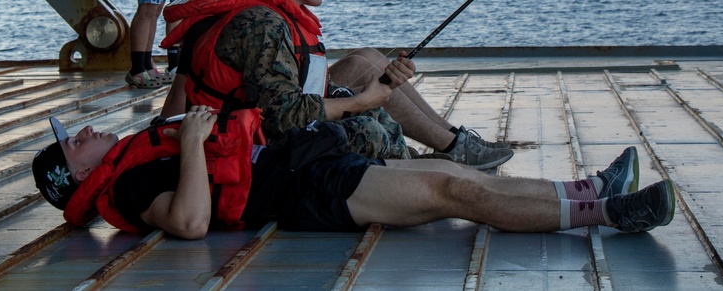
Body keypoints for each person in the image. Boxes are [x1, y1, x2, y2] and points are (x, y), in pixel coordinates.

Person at [160, 0, 512, 169]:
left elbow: (295, 87)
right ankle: (424, 167)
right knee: (367, 120)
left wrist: (374, 94)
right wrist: (359, 101)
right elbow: (280, 113)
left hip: (275, 118)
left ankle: (439, 152)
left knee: (374, 89)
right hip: (251, 141)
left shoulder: (276, 17)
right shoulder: (261, 22)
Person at [33, 107, 675, 239]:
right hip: (307, 193)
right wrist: (197, 144)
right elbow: (192, 221)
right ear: (78, 177)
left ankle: (592, 189)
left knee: (452, 167)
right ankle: (613, 215)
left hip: (308, 165)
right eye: (73, 144)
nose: (84, 133)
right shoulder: (127, 185)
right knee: (454, 191)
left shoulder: (129, 158)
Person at [160, 0, 259, 118]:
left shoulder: (201, 26)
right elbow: (179, 93)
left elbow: (178, 90)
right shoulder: (206, 29)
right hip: (225, 128)